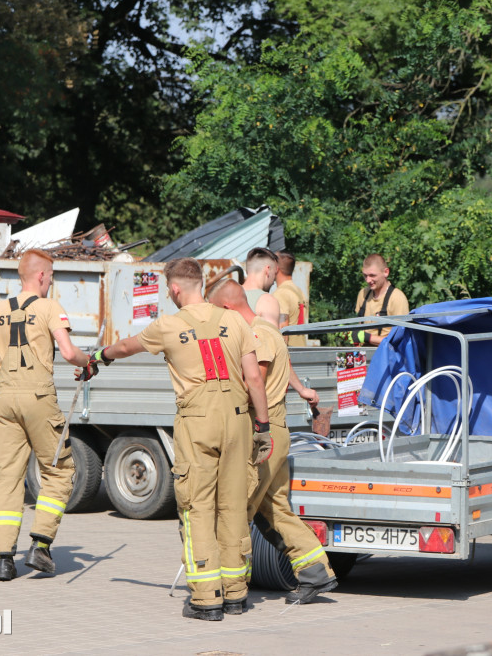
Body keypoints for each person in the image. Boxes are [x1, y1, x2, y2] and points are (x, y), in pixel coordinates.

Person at [87, 258, 270, 622]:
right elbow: (255, 379)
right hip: (237, 419)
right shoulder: (233, 320)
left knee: (197, 507)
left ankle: (206, 598)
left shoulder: (168, 326)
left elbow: (125, 347)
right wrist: (262, 427)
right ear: (200, 283)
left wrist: (98, 356)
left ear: (174, 289)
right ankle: (235, 594)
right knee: (233, 505)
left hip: (198, 422)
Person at [0, 249, 94, 582]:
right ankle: (41, 544)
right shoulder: (50, 308)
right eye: (50, 276)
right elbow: (67, 352)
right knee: (59, 469)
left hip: (5, 401)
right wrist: (88, 363)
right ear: (40, 276)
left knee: (7, 477)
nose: (51, 282)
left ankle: (5, 560)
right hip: (39, 399)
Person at [207, 280, 338, 605]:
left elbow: (257, 379)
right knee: (276, 508)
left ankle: (232, 585)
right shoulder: (266, 328)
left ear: (226, 309)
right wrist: (301, 389)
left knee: (238, 508)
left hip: (262, 435)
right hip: (274, 432)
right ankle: (316, 572)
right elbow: (282, 361)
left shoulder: (256, 334)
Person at [350, 253, 409, 346]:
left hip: (386, 354)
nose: (368, 280)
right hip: (363, 354)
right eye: (365, 275)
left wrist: (368, 338)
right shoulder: (363, 294)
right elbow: (359, 330)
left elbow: (400, 339)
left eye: (372, 275)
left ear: (386, 272)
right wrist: (350, 335)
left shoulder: (397, 298)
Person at [273, 250, 309, 346]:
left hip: (290, 353)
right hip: (301, 349)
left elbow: (283, 328)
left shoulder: (281, 294)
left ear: (276, 268)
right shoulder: (299, 291)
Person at [242, 247, 282, 327]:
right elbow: (272, 338)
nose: (273, 282)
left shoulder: (228, 296)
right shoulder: (267, 301)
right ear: (267, 270)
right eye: (274, 273)